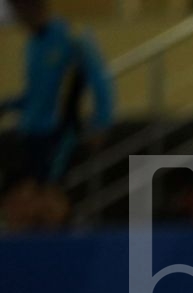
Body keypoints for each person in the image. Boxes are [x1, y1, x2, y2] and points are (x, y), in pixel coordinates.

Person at [0, 0, 114, 182]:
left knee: (49, 190)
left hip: (58, 132)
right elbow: (36, 94)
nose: (17, 17)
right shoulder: (33, 43)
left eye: (18, 10)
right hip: (30, 131)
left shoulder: (72, 36)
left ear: (32, 6)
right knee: (28, 189)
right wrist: (7, 105)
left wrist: (102, 122)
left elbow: (99, 80)